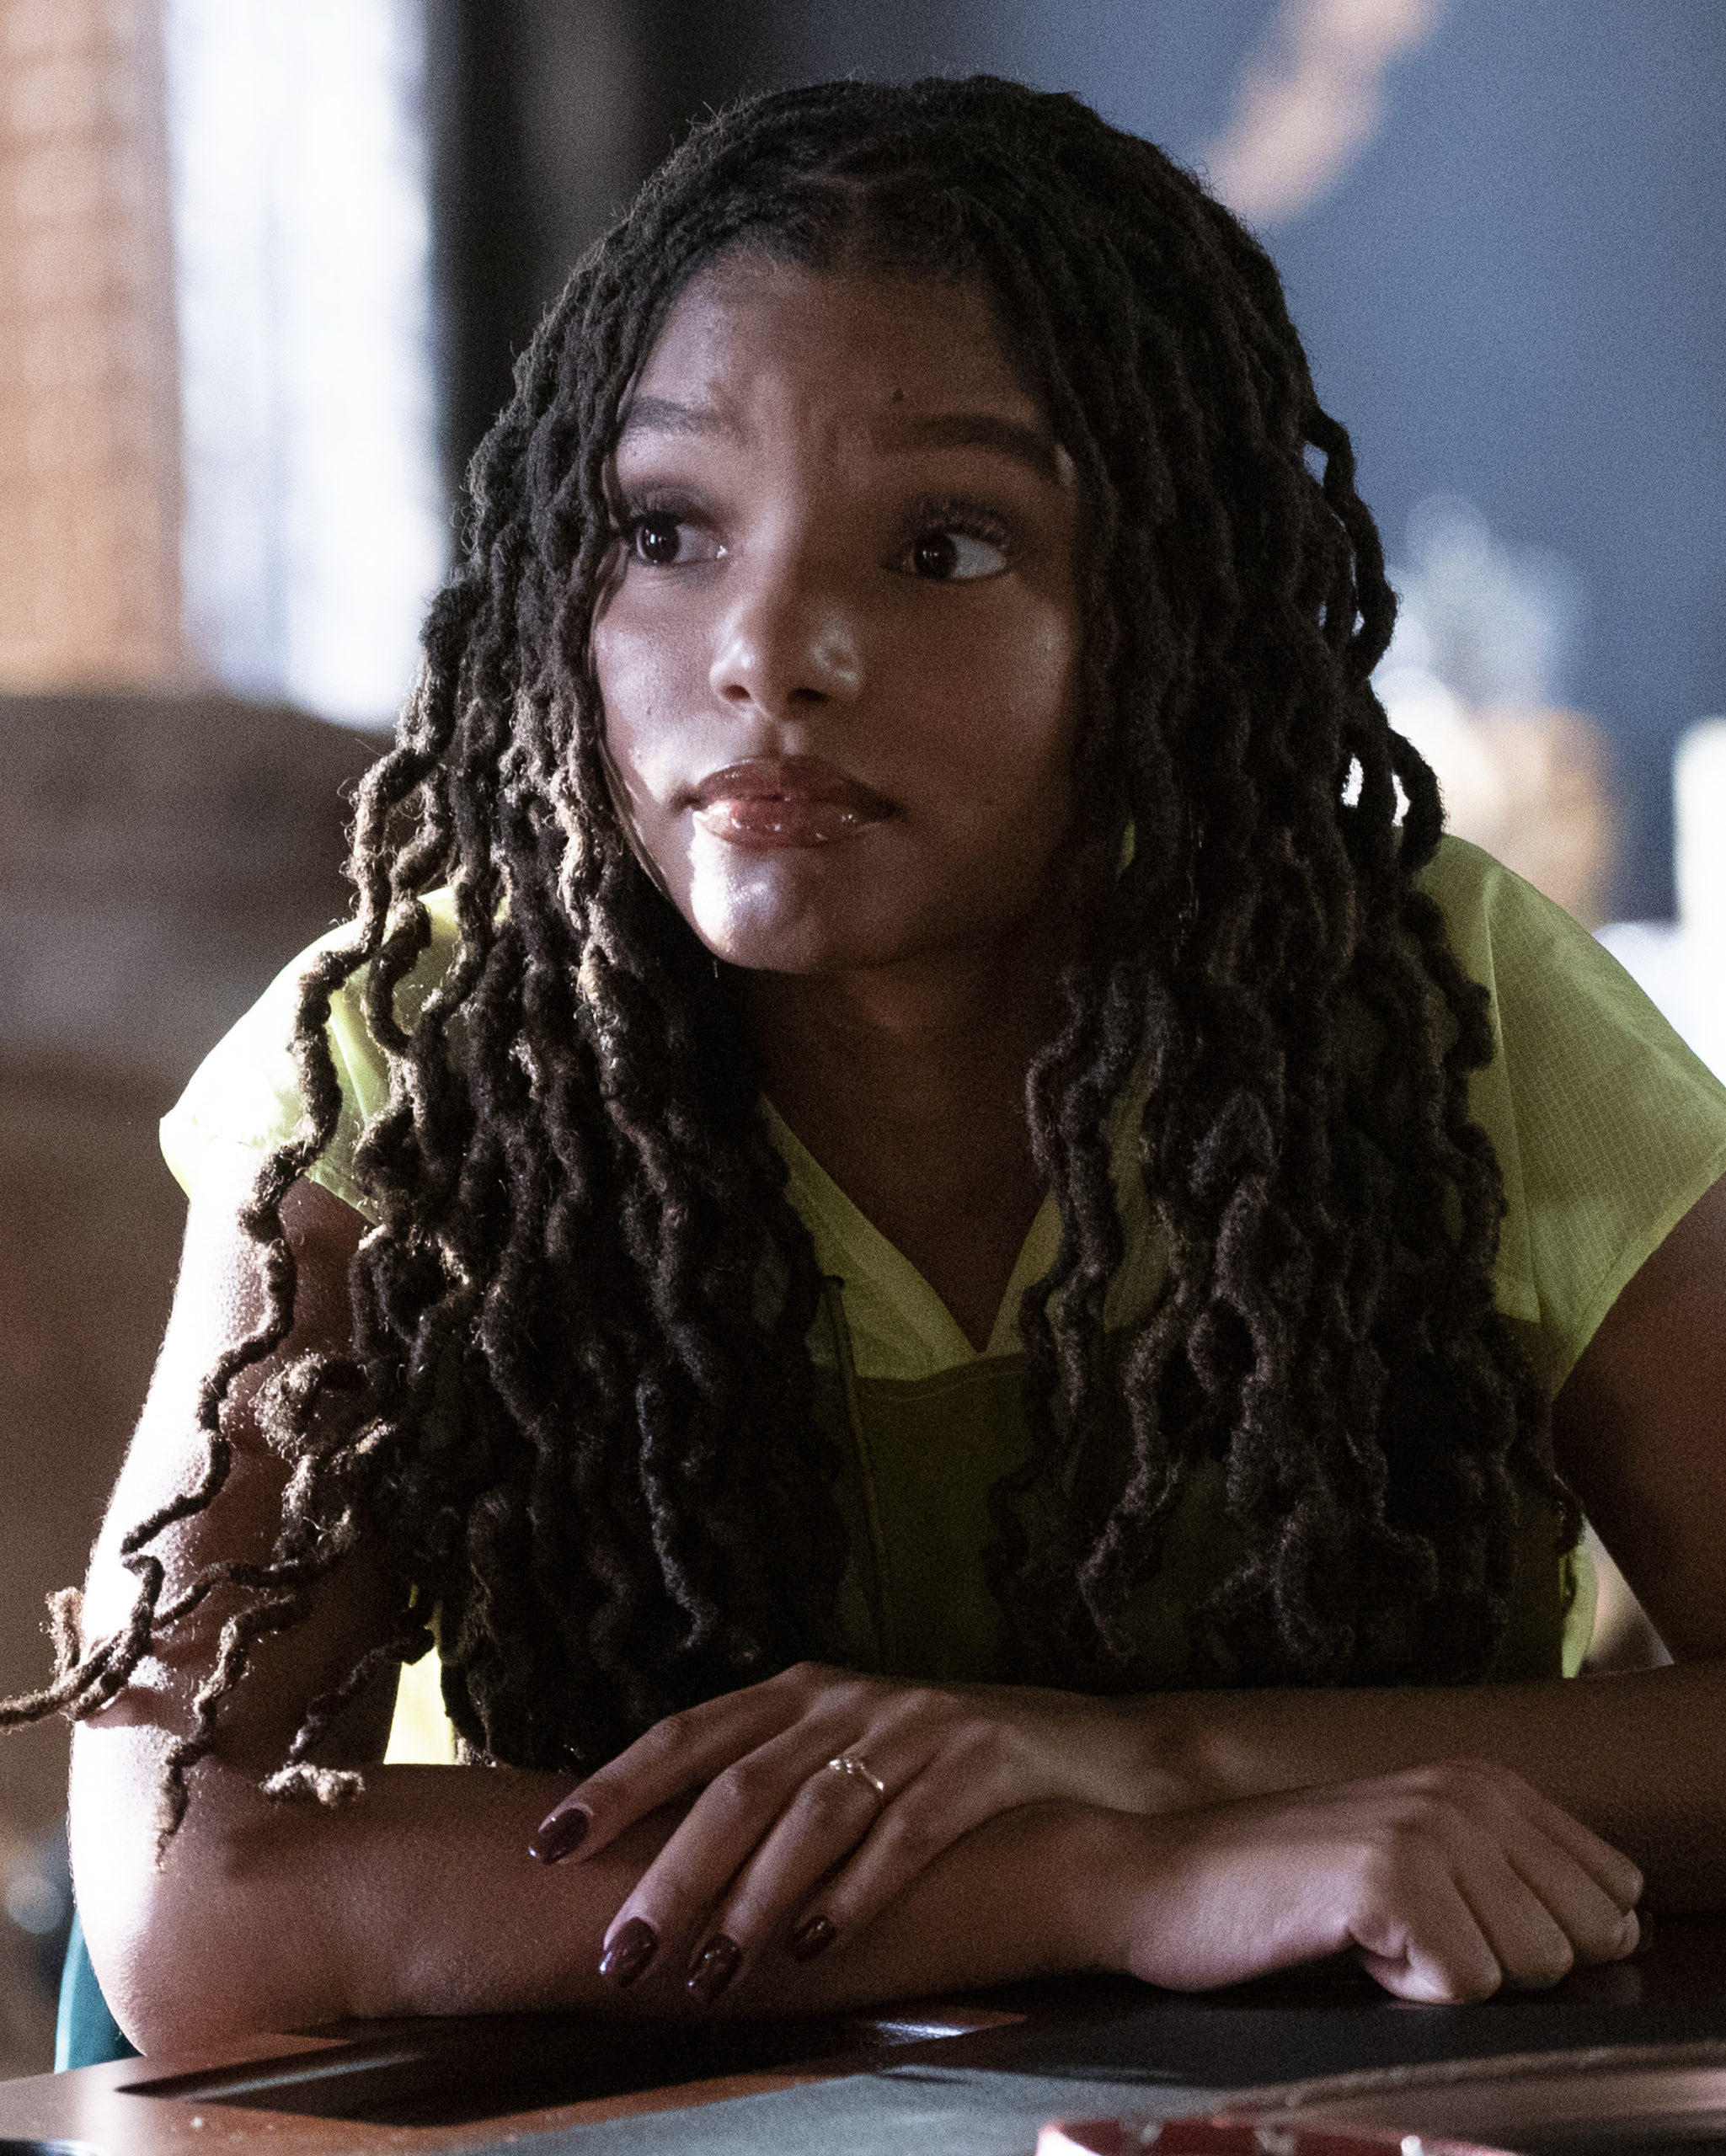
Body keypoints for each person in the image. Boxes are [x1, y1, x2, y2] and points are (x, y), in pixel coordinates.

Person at [8, 76, 1726, 2052]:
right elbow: (190, 1890)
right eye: (665, 530)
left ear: (1156, 616)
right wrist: (1110, 1873)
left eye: (943, 546)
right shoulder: (409, 1063)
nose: (771, 648)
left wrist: (1140, 1754)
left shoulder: (1433, 1004)